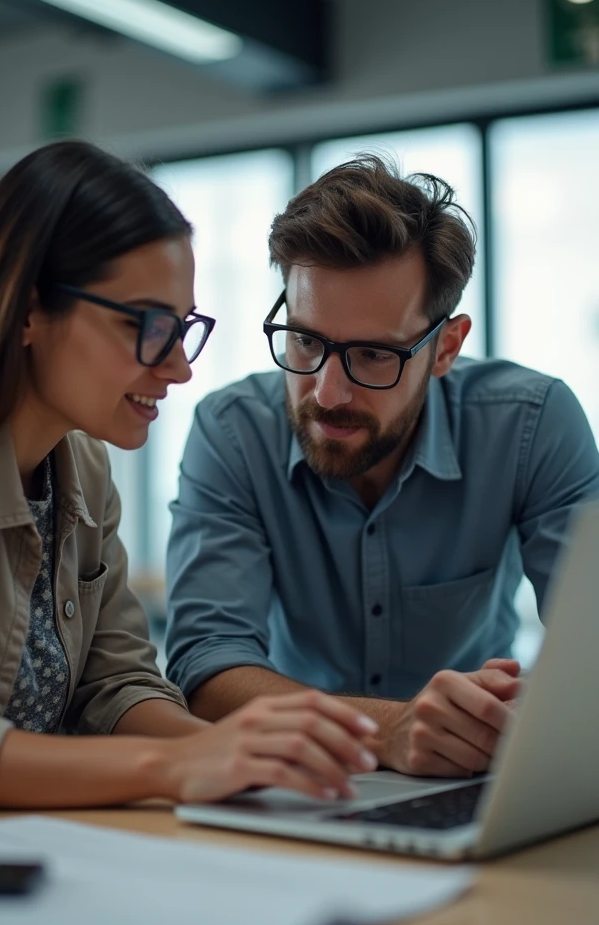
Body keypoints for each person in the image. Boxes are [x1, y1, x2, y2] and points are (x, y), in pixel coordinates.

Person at [0, 140, 379, 812]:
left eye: (183, 326)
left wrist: (237, 755)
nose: (179, 367)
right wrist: (172, 764)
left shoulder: (83, 466)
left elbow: (117, 684)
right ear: (25, 309)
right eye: (151, 324)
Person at [165, 154, 599, 779]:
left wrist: (525, 714)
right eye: (306, 341)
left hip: (473, 775)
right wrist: (386, 729)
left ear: (445, 347)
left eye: (373, 355)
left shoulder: (530, 424)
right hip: (302, 780)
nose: (327, 392)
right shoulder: (232, 432)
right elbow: (208, 666)